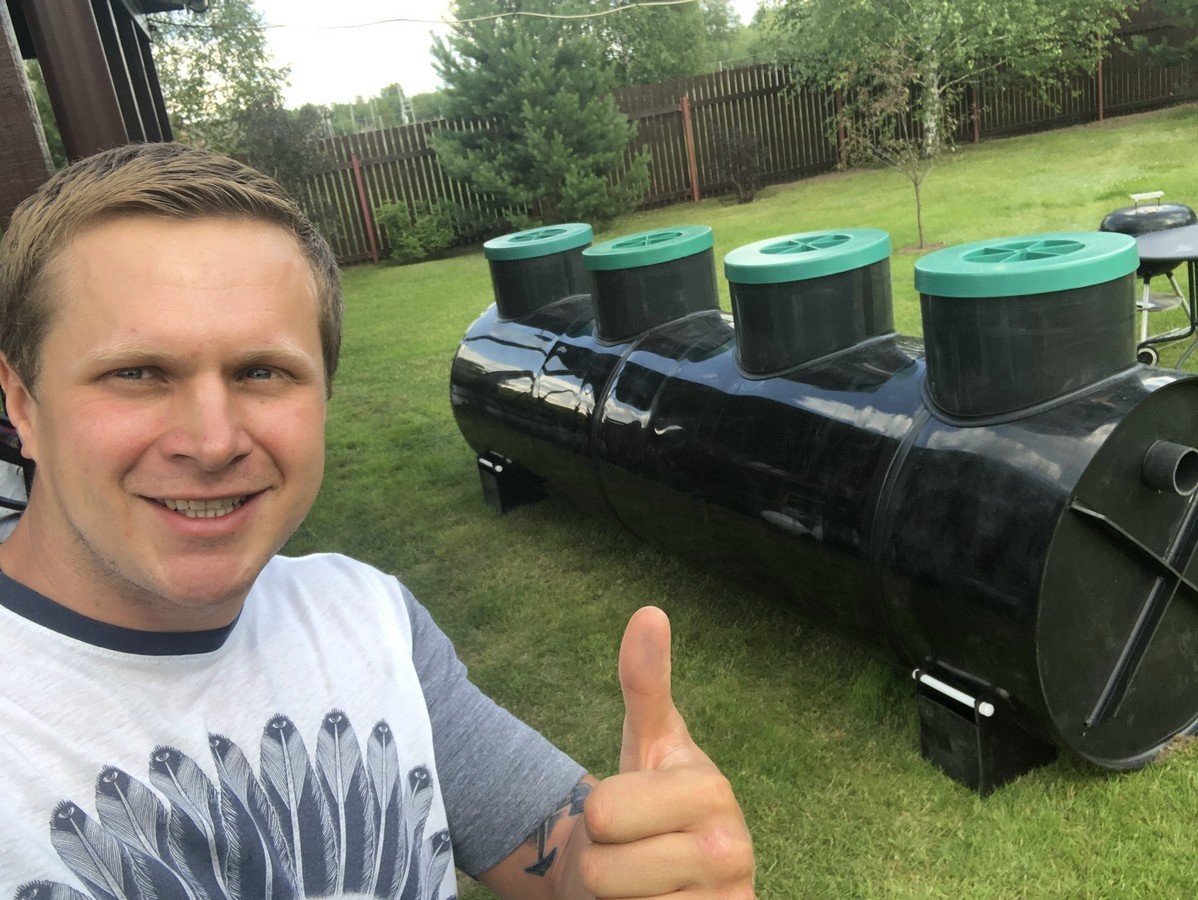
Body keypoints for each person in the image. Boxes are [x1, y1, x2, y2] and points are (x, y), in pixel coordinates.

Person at [0, 143, 754, 899]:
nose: (213, 441)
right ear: (22, 402)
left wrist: (654, 863)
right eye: (136, 373)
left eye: (262, 371)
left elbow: (558, 853)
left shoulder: (363, 617)